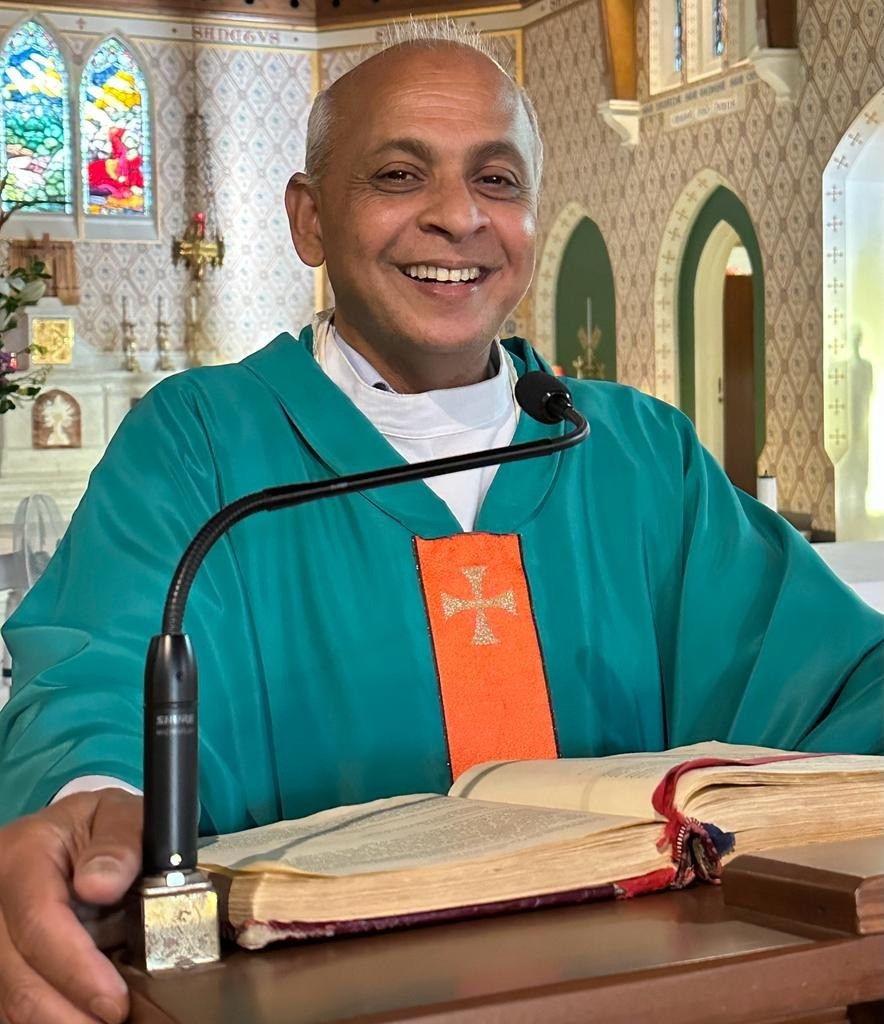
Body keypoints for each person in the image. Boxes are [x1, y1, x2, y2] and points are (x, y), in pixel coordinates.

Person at [0, 22, 882, 1024]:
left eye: (495, 180)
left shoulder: (635, 449)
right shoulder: (200, 442)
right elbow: (95, 679)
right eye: (398, 175)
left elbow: (837, 675)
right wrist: (93, 805)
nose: (457, 216)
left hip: (646, 993)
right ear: (309, 219)